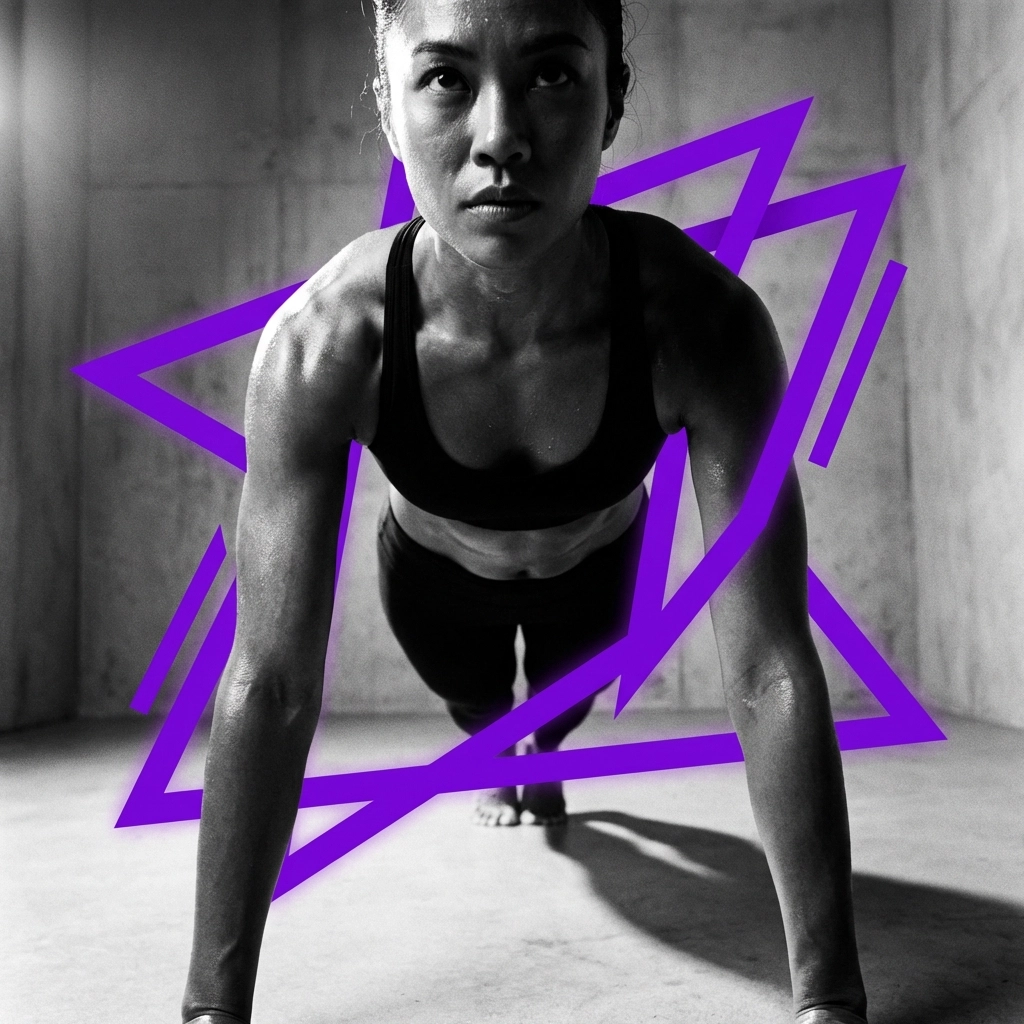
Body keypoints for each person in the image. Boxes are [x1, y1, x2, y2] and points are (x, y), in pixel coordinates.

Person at [181, 1, 870, 1022]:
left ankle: (541, 749)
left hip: (598, 576)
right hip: (433, 585)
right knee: (480, 710)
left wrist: (831, 1000)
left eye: (549, 74)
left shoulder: (702, 323)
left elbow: (769, 663)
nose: (499, 136)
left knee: (560, 703)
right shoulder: (325, 343)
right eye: (447, 80)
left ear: (611, 99)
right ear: (387, 106)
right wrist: (210, 1010)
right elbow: (271, 677)